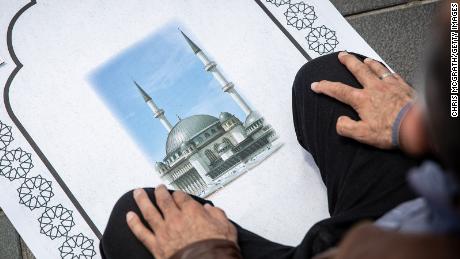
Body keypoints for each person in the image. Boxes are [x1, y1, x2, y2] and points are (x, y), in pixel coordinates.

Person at [100, 1, 460, 258]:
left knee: (134, 220)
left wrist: (203, 251)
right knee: (333, 78)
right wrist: (424, 124)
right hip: (428, 213)